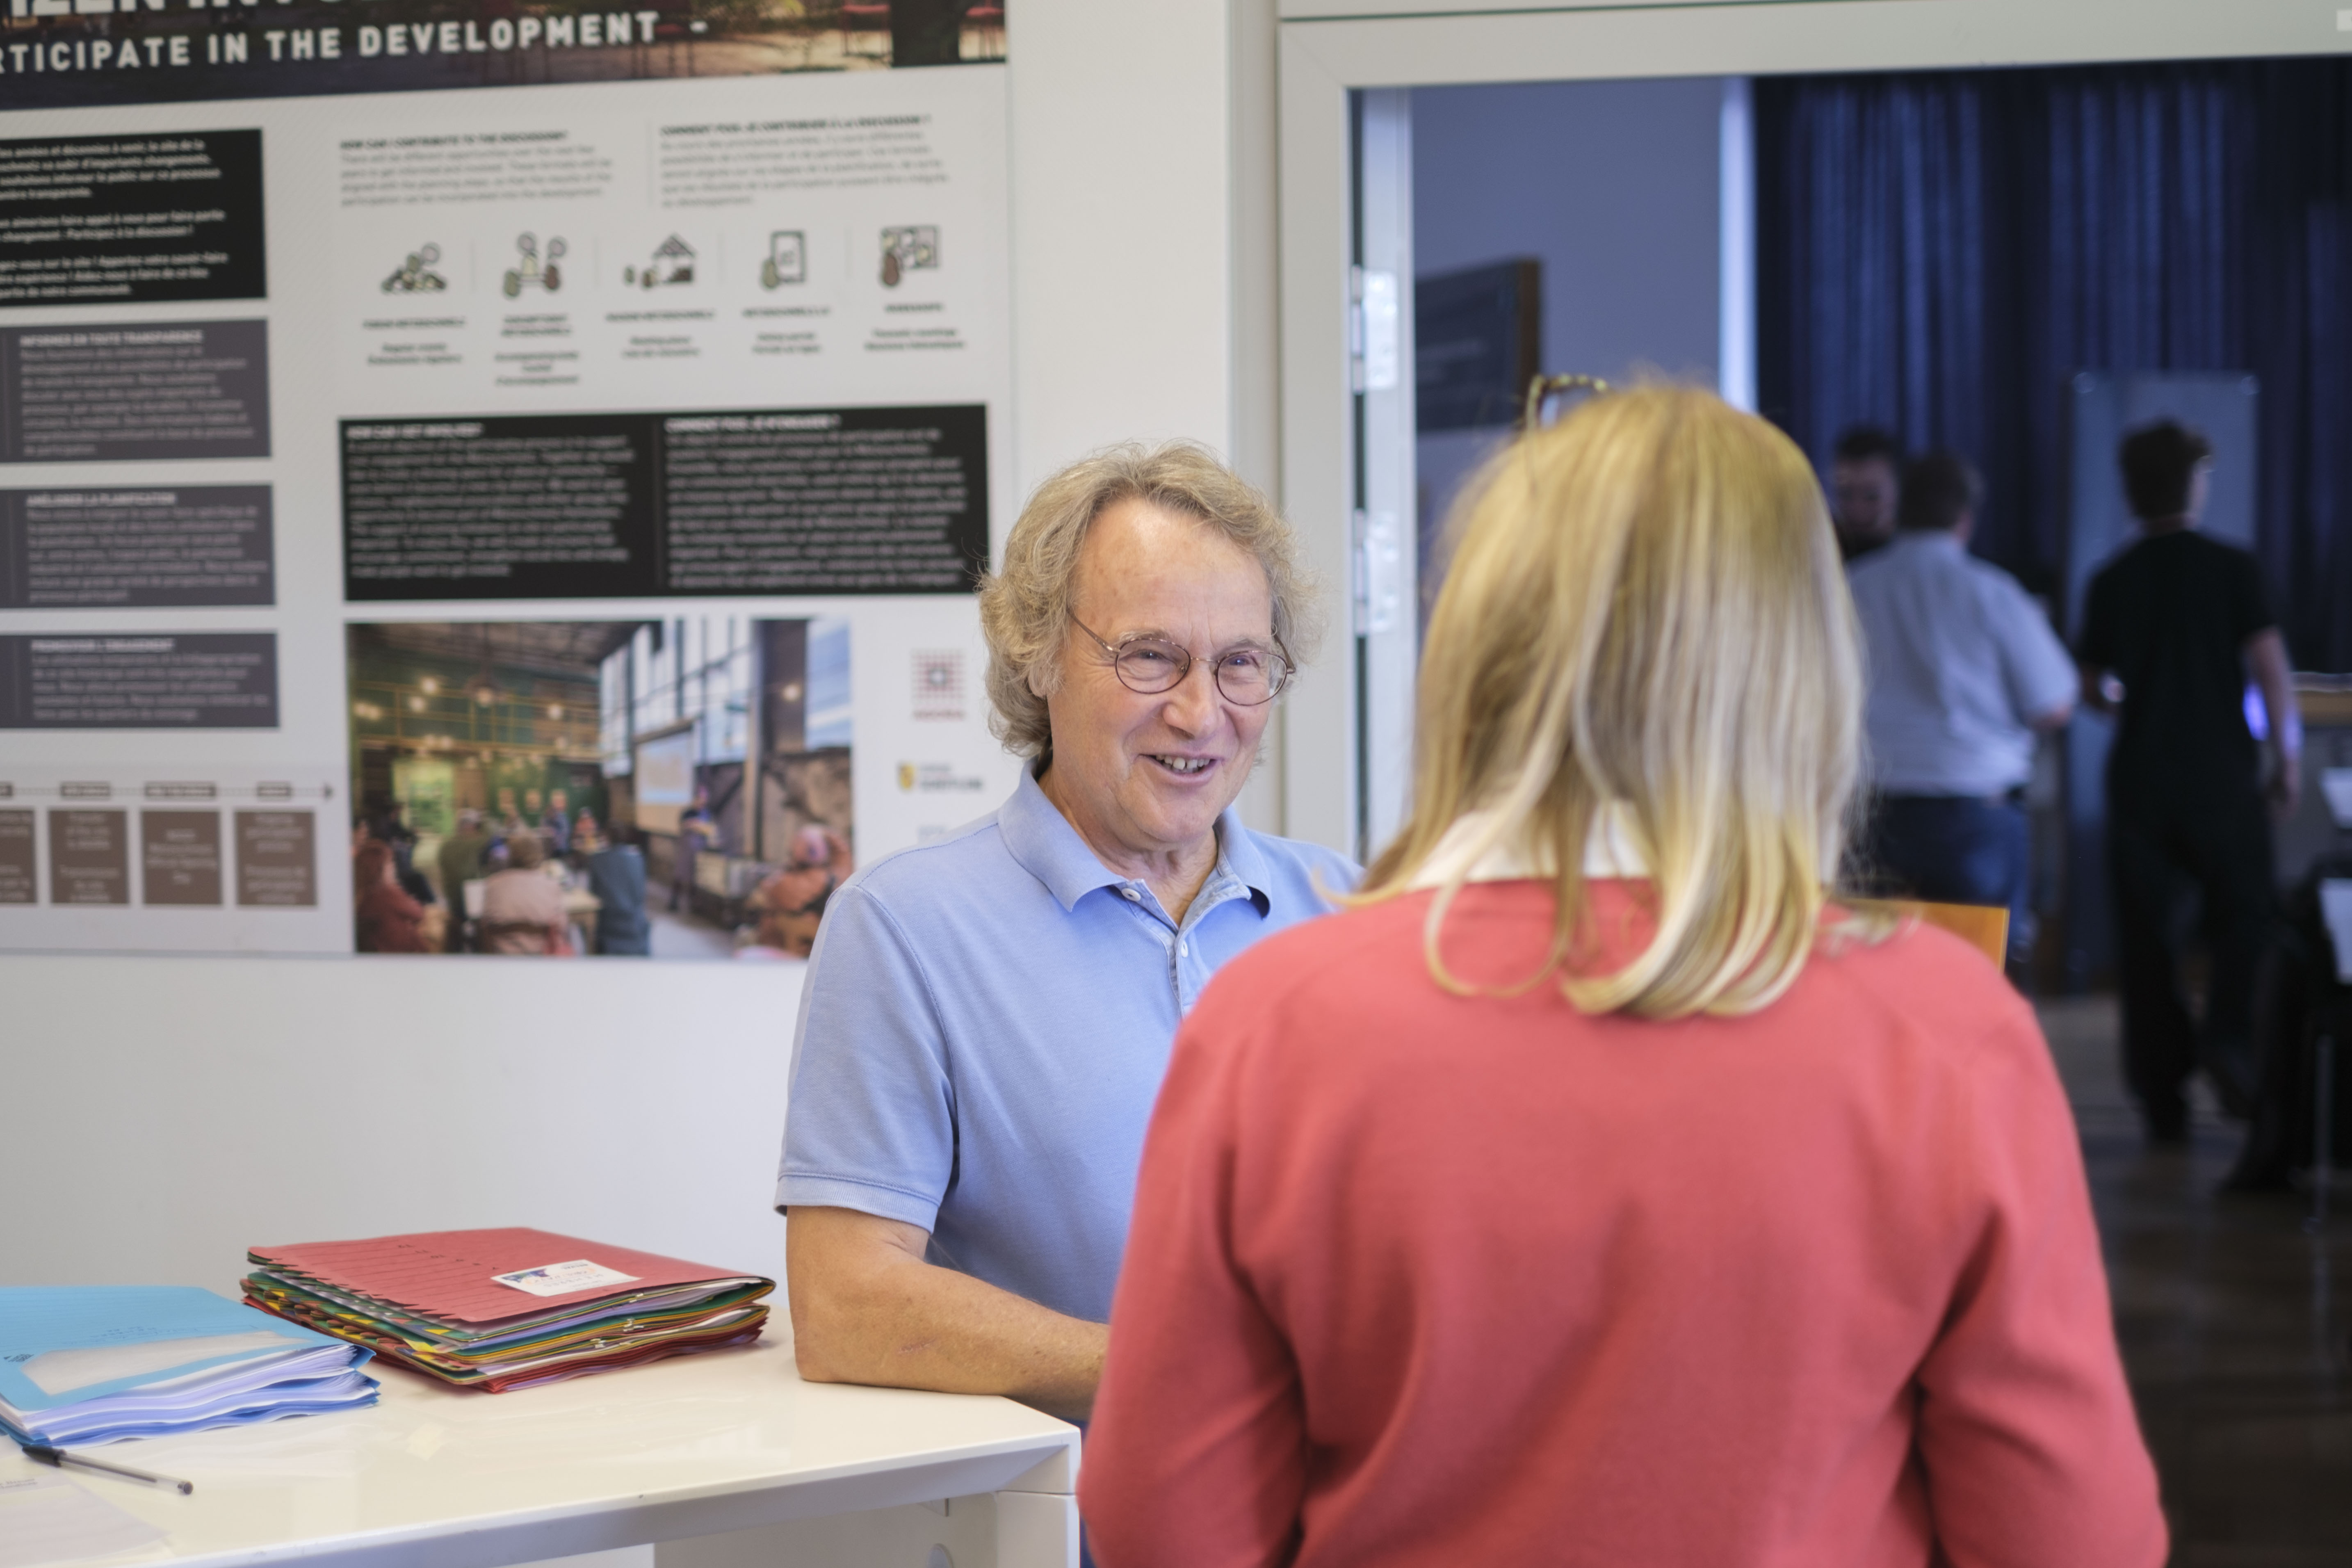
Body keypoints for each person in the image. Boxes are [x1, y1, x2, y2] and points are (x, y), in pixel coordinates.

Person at [1082, 387, 2164, 1568]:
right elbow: (2073, 1536)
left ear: (1481, 645)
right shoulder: (1945, 1028)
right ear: (1798, 663)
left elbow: (1159, 1525)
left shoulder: (1275, 1022)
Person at [778, 441, 1358, 1425]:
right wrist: (1195, 1379)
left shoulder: (1352, 911)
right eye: (1149, 655)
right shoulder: (904, 927)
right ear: (1037, 653)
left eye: (1240, 664)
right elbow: (847, 1305)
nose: (1198, 712)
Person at [2078, 419, 2300, 1141]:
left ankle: (2163, 1101)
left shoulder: (2111, 578)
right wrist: (2286, 760)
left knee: (2147, 944)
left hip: (2140, 777)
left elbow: (2087, 683)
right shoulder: (2232, 568)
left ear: (2131, 492)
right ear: (2196, 483)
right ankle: (2226, 1035)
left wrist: (2128, 710)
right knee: (2251, 914)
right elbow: (2271, 671)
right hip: (2221, 776)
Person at [1848, 450, 2075, 961]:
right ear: (1964, 519)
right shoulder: (1991, 593)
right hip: (1973, 810)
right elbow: (2053, 704)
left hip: (1872, 810)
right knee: (1976, 976)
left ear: (1897, 510)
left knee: (1877, 975)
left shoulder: (1851, 586)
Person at [737, 827, 853, 960]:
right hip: (817, 946)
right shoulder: (835, 875)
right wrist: (825, 834)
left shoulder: (791, 883)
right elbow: (843, 854)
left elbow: (768, 892)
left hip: (787, 952)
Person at [479, 831, 572, 956]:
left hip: (502, 960)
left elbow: (484, 924)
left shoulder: (492, 884)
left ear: (511, 855)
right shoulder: (551, 885)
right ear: (538, 855)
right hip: (541, 960)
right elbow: (562, 927)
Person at [576, 820, 652, 957]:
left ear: (606, 838)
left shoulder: (597, 860)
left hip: (609, 927)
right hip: (635, 925)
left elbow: (593, 895)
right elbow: (640, 894)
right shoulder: (638, 859)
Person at [1830, 423, 1903, 561]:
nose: (1858, 509)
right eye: (1846, 494)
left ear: (1898, 491)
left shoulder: (1919, 563)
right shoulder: (1819, 554)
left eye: (1872, 496)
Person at [354, 840, 439, 953]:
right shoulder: (387, 895)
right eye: (391, 863)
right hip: (401, 955)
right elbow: (419, 913)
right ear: (381, 869)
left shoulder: (361, 897)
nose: (394, 867)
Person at [434, 809, 492, 951]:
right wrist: (483, 818)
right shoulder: (475, 843)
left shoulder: (445, 846)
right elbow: (491, 832)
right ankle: (478, 950)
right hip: (471, 902)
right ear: (471, 827)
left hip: (452, 902)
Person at [671, 787, 715, 914]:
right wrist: (693, 824)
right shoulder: (688, 812)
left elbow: (710, 829)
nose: (703, 801)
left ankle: (693, 904)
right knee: (680, 873)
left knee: (695, 877)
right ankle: (674, 901)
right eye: (701, 799)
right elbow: (683, 825)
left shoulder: (706, 814)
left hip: (699, 848)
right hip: (686, 848)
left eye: (705, 799)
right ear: (696, 799)